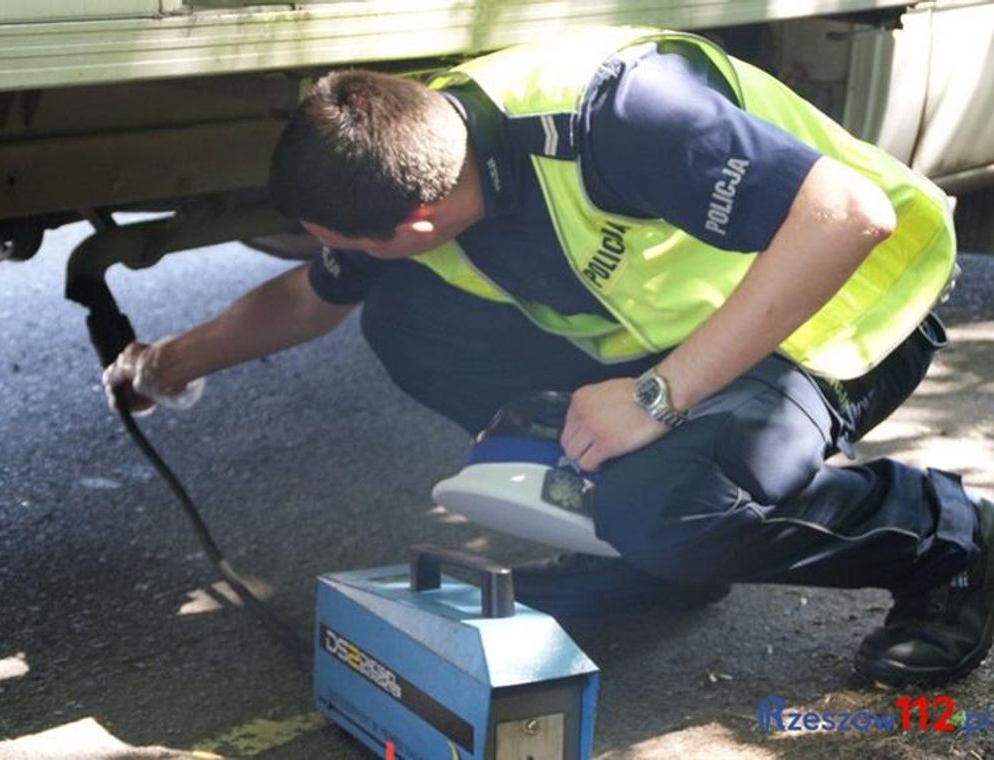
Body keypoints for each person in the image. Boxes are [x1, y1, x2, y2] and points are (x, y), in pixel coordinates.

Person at [104, 26, 992, 687]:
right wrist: (166, 363)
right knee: (405, 318)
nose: (338, 253)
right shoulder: (416, 156)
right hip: (697, 335)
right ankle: (645, 561)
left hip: (847, 308)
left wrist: (655, 397)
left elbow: (849, 216)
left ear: (415, 223)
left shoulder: (624, 117)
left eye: (349, 241)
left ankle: (947, 540)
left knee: (669, 511)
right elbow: (309, 298)